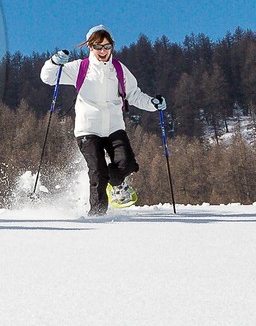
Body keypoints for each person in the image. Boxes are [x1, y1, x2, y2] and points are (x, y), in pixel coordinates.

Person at [40, 24, 166, 216]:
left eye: (107, 46)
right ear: (90, 47)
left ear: (112, 46)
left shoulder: (119, 69)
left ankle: (114, 182)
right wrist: (53, 62)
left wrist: (153, 103)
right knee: (98, 171)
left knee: (127, 164)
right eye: (97, 46)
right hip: (87, 130)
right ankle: (97, 216)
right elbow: (48, 77)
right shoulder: (80, 68)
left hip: (114, 127)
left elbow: (134, 94)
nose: (103, 51)